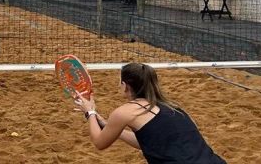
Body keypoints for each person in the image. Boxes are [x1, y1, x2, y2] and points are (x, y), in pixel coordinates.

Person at [73, 62, 225, 163]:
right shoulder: (173, 107)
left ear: (125, 86)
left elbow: (99, 143)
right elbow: (149, 142)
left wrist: (90, 112)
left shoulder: (126, 111)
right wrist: (108, 126)